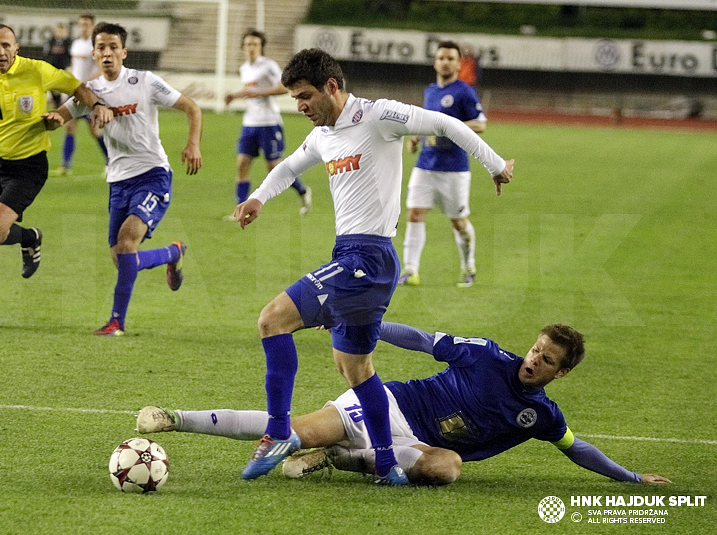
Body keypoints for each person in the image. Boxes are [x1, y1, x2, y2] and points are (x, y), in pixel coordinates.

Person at [230, 48, 514, 485]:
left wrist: (494, 164)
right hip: (350, 256)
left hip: (370, 259)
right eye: (294, 100)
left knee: (272, 321)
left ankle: (276, 433)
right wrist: (258, 198)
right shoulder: (323, 135)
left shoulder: (379, 115)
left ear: (332, 86)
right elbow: (289, 166)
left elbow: (444, 123)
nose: (300, 106)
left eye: (305, 96)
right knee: (355, 369)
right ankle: (385, 463)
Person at [136, 321, 671, 486]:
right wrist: (367, 327)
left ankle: (340, 459)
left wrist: (629, 479)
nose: (533, 361)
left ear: (562, 371)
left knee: (449, 469)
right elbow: (420, 339)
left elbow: (577, 450)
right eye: (536, 350)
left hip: (417, 445)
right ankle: (174, 419)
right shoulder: (485, 355)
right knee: (294, 430)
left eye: (547, 360)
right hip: (386, 404)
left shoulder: (542, 416)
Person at [0, 24, 112, 327]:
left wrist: (96, 105)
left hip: (29, 167)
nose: (0, 52)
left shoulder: (38, 70)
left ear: (17, 48)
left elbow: (77, 87)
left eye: (6, 45)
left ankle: (30, 237)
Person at [46, 22, 203, 337]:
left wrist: (193, 144)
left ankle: (116, 322)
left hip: (153, 174)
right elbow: (59, 118)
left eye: (113, 47)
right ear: (93, 53)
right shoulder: (90, 93)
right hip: (118, 181)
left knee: (128, 239)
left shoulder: (144, 82)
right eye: (101, 48)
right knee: (121, 258)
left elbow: (191, 107)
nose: (107, 53)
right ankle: (173, 253)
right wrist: (48, 119)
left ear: (124, 52)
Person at [399, 41, 487, 288]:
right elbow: (428, 123)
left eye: (450, 58)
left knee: (458, 222)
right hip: (425, 165)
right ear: (434, 62)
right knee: (414, 214)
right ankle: (410, 270)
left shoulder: (464, 91)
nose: (445, 62)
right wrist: (416, 137)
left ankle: (468, 268)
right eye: (441, 58)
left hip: (454, 169)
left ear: (459, 63)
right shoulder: (430, 91)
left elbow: (480, 124)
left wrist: (450, 128)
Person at [224, 30, 311, 216]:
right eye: (248, 44)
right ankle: (240, 209)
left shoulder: (268, 65)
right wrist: (235, 95)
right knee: (242, 164)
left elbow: (284, 87)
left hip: (269, 123)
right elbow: (251, 90)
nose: (252, 48)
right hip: (250, 123)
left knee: (274, 167)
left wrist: (260, 93)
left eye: (255, 44)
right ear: (243, 48)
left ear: (261, 47)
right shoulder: (244, 69)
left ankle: (302, 191)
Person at [52, 14, 110, 176]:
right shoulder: (76, 44)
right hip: (74, 92)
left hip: (89, 93)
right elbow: (74, 66)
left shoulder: (96, 45)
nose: (83, 27)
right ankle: (65, 166)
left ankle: (111, 162)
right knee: (69, 127)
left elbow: (100, 70)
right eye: (81, 24)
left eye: (86, 24)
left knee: (94, 130)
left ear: (92, 26)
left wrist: (86, 85)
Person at [43, 22, 72, 108]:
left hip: (63, 69)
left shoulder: (68, 42)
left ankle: (62, 105)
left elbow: (69, 56)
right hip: (53, 69)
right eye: (59, 30)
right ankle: (54, 104)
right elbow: (46, 55)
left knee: (62, 90)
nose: (60, 33)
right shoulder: (51, 41)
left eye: (62, 31)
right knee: (52, 90)